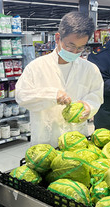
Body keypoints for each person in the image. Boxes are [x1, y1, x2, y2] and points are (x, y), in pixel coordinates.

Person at [15, 12, 104, 147]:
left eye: (80, 47)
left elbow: (96, 96)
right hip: (46, 141)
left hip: (77, 140)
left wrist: (88, 107)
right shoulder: (36, 67)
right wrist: (51, 95)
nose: (75, 52)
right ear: (58, 38)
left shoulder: (90, 69)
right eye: (70, 45)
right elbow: (22, 96)